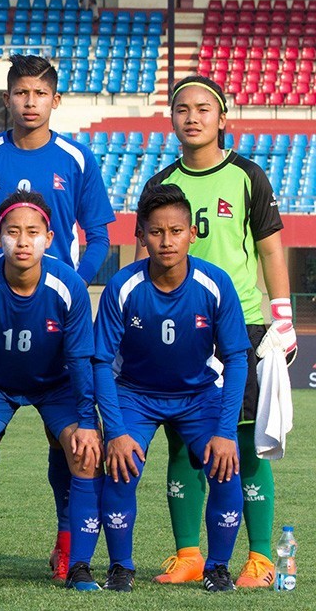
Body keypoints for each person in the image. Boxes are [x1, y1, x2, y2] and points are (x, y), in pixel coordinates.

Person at [0, 53, 115, 580]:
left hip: (53, 321)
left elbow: (101, 237)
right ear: (8, 98)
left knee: (70, 449)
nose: (30, 102)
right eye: (21, 93)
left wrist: (68, 280)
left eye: (40, 94)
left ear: (55, 100)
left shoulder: (78, 159)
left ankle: (68, 547)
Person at [140, 75, 295, 588]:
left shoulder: (248, 176)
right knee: (183, 444)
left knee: (244, 441)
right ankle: (187, 554)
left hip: (243, 327)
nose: (192, 117)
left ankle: (261, 556)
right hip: (182, 329)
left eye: (203, 108)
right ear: (173, 119)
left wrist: (282, 315)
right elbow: (148, 260)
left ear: (222, 117)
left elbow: (271, 247)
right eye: (182, 108)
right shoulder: (162, 183)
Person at [94, 183, 249, 593]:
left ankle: (217, 568)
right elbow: (99, 362)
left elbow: (235, 358)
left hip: (198, 397)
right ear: (140, 235)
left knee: (225, 469)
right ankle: (120, 567)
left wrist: (226, 433)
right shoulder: (122, 287)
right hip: (135, 394)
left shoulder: (216, 284)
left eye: (176, 231)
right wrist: (116, 432)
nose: (166, 241)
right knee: (121, 471)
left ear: (192, 233)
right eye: (156, 232)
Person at [0, 190, 103, 591]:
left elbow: (81, 361)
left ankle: (73, 557)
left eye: (32, 232)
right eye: (13, 232)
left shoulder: (68, 284)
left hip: (56, 385)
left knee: (85, 453)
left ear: (49, 238)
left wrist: (86, 421)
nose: (22, 241)